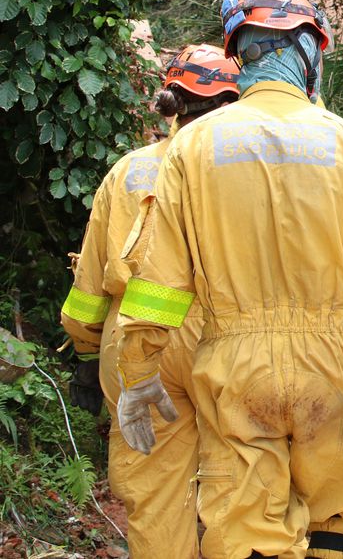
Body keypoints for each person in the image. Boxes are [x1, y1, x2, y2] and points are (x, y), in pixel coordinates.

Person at [112, 0, 343, 559]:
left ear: (240, 52)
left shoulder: (191, 148)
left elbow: (159, 282)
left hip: (234, 371)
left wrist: (138, 369)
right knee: (337, 514)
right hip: (329, 369)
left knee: (248, 530)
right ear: (309, 50)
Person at [61, 44, 240, 558]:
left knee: (156, 492)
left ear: (172, 102)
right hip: (225, 338)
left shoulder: (128, 172)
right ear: (233, 99)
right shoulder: (246, 172)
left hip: (138, 341)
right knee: (238, 483)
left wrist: (87, 353)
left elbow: (92, 279)